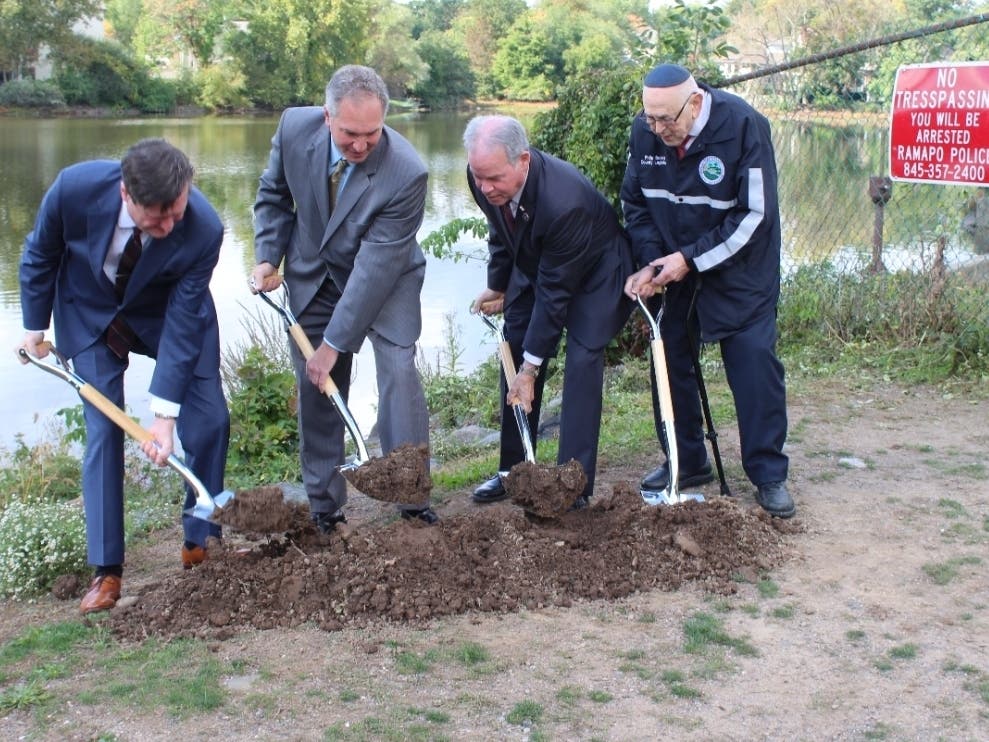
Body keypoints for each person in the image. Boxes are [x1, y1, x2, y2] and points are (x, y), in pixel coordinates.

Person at [16, 138, 230, 614]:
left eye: (177, 211)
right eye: (158, 216)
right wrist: (35, 327)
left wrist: (164, 416)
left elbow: (183, 320)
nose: (170, 224)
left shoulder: (204, 227)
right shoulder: (72, 189)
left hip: (167, 317)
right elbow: (39, 254)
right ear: (125, 195)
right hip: (89, 314)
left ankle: (200, 542)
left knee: (210, 418)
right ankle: (106, 571)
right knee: (103, 430)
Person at [251, 65, 436, 528]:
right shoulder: (294, 128)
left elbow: (374, 269)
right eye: (350, 133)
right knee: (317, 389)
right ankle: (324, 507)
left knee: (397, 370)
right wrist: (267, 257)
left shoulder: (407, 171)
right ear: (326, 115)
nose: (360, 145)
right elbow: (274, 195)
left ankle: (412, 498)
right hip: (313, 274)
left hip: (385, 277)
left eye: (371, 135)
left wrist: (334, 346)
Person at [621, 63, 795, 518]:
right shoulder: (646, 134)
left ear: (695, 103)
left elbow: (755, 215)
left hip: (741, 272)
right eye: (650, 120)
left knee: (754, 366)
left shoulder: (743, 126)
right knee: (669, 360)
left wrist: (691, 259)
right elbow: (634, 203)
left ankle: (768, 472)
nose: (658, 130)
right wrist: (654, 261)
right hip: (674, 269)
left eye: (667, 120)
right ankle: (688, 460)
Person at [465, 115, 634, 507]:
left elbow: (555, 294)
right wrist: (499, 283)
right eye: (479, 177)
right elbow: (500, 229)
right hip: (539, 261)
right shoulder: (483, 175)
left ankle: (571, 483)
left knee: (581, 360)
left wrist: (531, 369)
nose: (485, 186)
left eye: (494, 178)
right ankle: (514, 471)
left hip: (596, 270)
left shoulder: (564, 200)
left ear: (523, 160)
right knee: (515, 343)